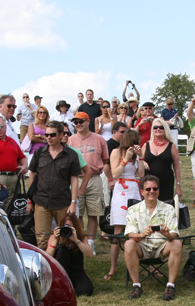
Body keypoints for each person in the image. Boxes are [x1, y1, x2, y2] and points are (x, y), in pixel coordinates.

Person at [122, 175, 184, 300]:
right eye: (148, 189)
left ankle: (170, 286)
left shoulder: (168, 209)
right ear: (142, 191)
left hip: (162, 247)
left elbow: (174, 234)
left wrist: (167, 234)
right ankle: (136, 286)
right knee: (129, 244)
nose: (152, 191)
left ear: (159, 190)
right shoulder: (133, 209)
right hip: (142, 246)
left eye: (155, 189)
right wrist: (142, 235)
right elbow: (129, 233)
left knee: (177, 243)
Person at [27, 121, 81, 248]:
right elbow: (32, 175)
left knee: (66, 238)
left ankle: (64, 266)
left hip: (63, 202)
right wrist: (29, 200)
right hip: (41, 201)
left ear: (61, 135)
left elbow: (74, 179)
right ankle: (44, 267)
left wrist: (73, 202)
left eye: (52, 135)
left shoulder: (71, 154)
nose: (49, 137)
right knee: (42, 239)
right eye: (47, 135)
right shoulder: (39, 153)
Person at [68, 111, 111, 253]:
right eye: (76, 122)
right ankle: (81, 242)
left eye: (81, 121)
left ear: (88, 122)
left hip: (94, 178)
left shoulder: (99, 139)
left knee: (93, 213)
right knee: (78, 213)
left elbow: (105, 160)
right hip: (76, 179)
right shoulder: (71, 140)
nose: (78, 124)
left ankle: (91, 243)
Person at [106, 128, 145, 280]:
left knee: (137, 226)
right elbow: (115, 173)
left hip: (134, 189)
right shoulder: (116, 152)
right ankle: (113, 268)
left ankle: (136, 263)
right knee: (118, 229)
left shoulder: (137, 155)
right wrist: (126, 159)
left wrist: (140, 158)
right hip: (121, 190)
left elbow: (141, 174)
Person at [46, 213, 95, 297]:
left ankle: (70, 287)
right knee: (62, 248)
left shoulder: (81, 238)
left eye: (70, 227)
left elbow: (89, 255)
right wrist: (55, 240)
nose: (67, 230)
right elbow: (47, 257)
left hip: (76, 271)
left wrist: (76, 240)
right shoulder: (54, 237)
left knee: (86, 290)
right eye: (65, 227)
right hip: (60, 271)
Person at [142, 118, 182, 204]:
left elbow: (177, 167)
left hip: (166, 182)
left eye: (161, 127)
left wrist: (178, 185)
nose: (158, 129)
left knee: (165, 208)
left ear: (165, 129)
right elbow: (139, 160)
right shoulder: (146, 145)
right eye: (155, 127)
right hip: (149, 184)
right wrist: (143, 162)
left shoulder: (172, 146)